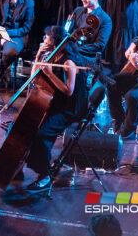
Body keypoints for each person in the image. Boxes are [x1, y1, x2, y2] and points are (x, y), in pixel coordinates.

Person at [23, 25, 88, 194]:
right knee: (31, 127)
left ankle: (45, 176)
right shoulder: (51, 55)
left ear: (54, 41)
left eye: (47, 38)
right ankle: (22, 167)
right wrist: (38, 56)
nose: (44, 40)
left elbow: (69, 90)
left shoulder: (68, 61)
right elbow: (33, 79)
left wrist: (50, 74)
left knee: (42, 134)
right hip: (58, 101)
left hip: (71, 107)